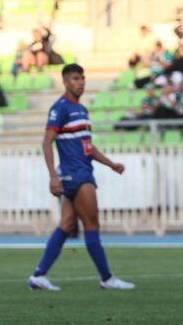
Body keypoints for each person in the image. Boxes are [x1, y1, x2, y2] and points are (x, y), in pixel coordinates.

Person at [27, 64, 135, 291]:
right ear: (66, 82)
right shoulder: (61, 108)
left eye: (83, 78)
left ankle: (38, 276)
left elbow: (88, 147)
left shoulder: (82, 110)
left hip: (77, 172)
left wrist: (111, 164)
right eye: (76, 78)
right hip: (77, 174)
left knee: (66, 224)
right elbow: (47, 142)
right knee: (92, 224)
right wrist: (52, 176)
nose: (81, 82)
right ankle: (106, 278)